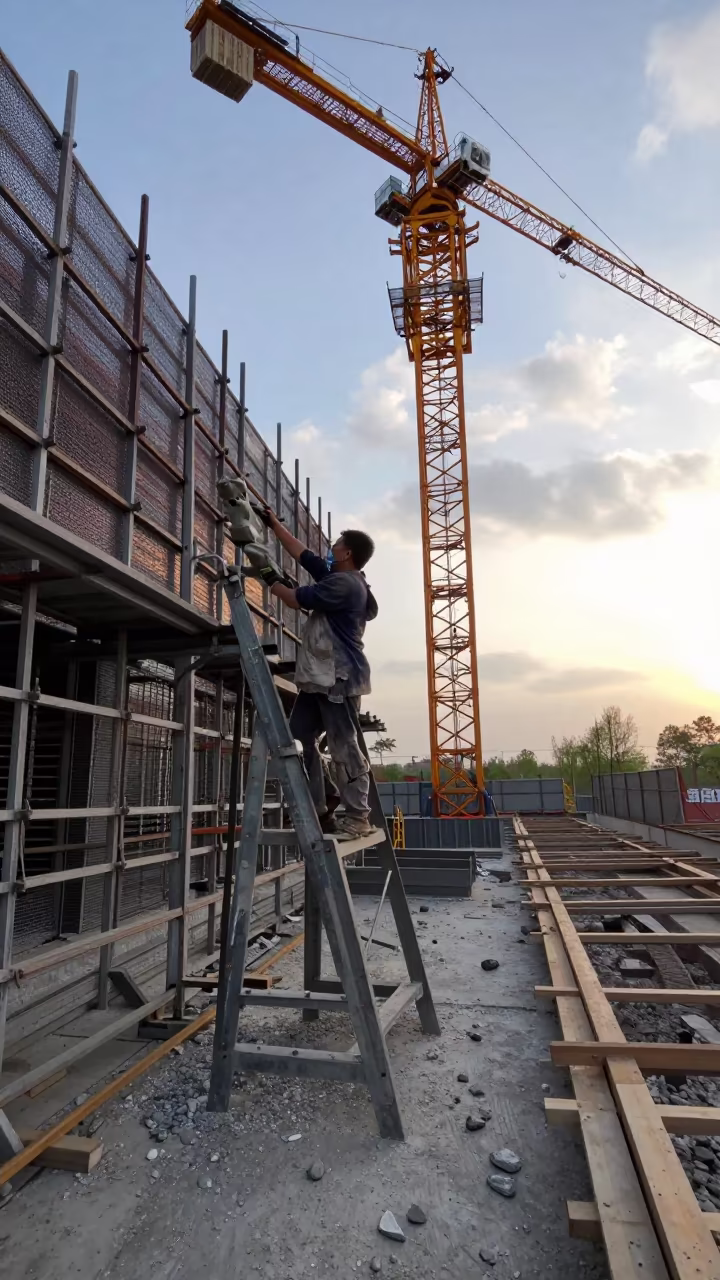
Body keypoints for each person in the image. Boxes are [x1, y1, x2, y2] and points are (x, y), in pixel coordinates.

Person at [259, 512, 378, 839]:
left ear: (347, 553)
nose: (331, 548)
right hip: (318, 679)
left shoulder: (344, 584)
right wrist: (274, 525)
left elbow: (294, 599)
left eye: (336, 545)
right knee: (298, 737)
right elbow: (304, 556)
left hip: (337, 678)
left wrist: (267, 574)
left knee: (344, 748)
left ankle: (358, 817)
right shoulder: (336, 577)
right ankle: (324, 797)